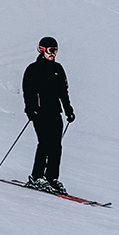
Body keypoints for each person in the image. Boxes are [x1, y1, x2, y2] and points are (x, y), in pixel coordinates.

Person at [22, 36, 76, 192]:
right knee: (44, 143)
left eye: (56, 51)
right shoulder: (33, 69)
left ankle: (51, 178)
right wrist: (30, 110)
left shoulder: (58, 69)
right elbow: (28, 92)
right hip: (40, 112)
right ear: (42, 50)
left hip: (54, 112)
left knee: (56, 147)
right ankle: (36, 177)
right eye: (51, 51)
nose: (53, 54)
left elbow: (63, 92)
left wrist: (68, 110)